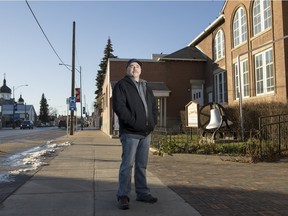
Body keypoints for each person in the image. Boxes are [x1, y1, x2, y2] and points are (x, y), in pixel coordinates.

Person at [112, 58, 158, 210]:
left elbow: (153, 108)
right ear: (127, 70)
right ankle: (123, 196)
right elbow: (119, 107)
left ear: (141, 70)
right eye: (131, 66)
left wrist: (152, 123)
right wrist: (133, 122)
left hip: (146, 133)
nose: (134, 68)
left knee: (141, 165)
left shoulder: (147, 87)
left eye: (137, 66)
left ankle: (142, 193)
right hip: (130, 133)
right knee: (127, 165)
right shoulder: (121, 85)